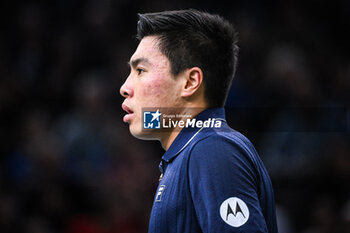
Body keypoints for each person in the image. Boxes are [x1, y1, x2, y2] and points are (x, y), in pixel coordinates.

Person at [120, 9, 278, 233]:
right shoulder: (191, 152)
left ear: (190, 82)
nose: (124, 88)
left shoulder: (211, 150)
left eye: (141, 70)